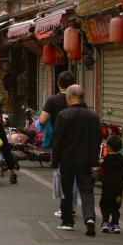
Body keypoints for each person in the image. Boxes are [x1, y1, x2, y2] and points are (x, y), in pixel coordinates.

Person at [50, 85, 101, 236]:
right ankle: (90, 219)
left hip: (67, 160)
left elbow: (57, 141)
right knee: (87, 190)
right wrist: (94, 159)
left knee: (67, 191)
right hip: (85, 161)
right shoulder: (92, 116)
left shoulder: (63, 115)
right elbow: (98, 138)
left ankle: (67, 221)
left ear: (70, 97)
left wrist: (54, 161)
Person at [40, 71, 78, 217]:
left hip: (60, 142)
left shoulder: (53, 100)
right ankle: (72, 205)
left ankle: (65, 207)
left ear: (58, 84)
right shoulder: (78, 100)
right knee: (74, 175)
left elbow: (42, 121)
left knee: (61, 174)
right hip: (77, 141)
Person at [99, 135, 123, 234]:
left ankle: (105, 222)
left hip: (107, 187)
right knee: (116, 206)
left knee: (105, 204)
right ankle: (115, 224)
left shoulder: (106, 159)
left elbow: (98, 163)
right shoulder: (122, 159)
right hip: (119, 188)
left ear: (108, 147)